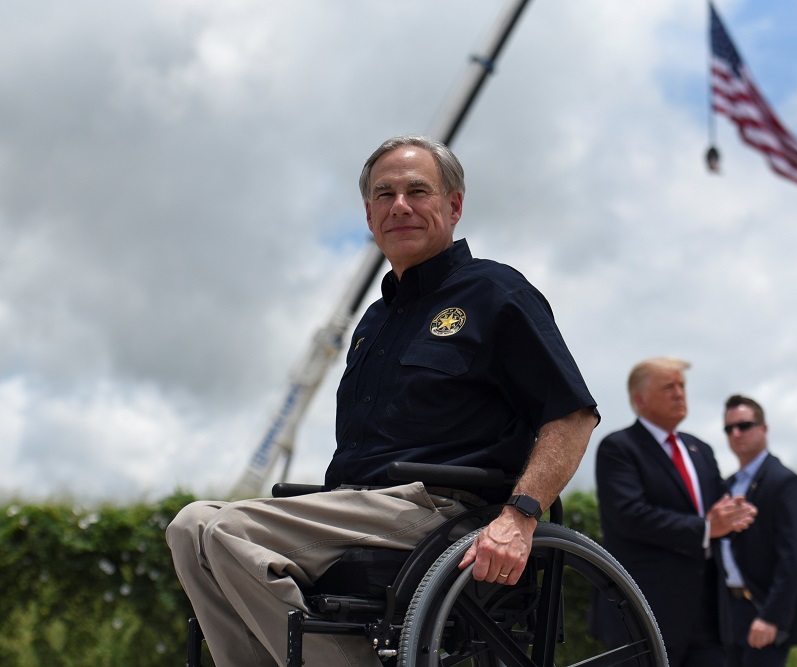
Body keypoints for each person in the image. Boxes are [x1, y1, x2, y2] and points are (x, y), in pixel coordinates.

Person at [166, 135, 599, 667]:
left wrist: (520, 515)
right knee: (189, 526)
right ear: (369, 215)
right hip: (356, 507)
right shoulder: (373, 323)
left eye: (418, 191)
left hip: (439, 512)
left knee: (228, 530)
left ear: (454, 205)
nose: (400, 205)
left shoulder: (495, 292)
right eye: (384, 194)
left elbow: (573, 416)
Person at [591, 358, 756, 667]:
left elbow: (718, 507)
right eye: (669, 387)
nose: (680, 394)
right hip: (645, 613)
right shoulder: (619, 448)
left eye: (682, 386)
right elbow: (630, 516)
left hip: (707, 614)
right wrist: (706, 529)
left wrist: (735, 512)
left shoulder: (700, 450)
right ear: (639, 400)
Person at [719, 394, 797, 667]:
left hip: (763, 608)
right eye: (729, 428)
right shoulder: (727, 485)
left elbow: (796, 557)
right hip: (729, 610)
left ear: (763, 428)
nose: (736, 433)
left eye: (744, 425)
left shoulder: (784, 482)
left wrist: (771, 616)